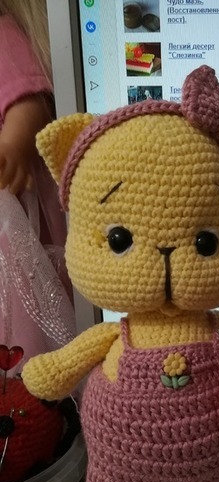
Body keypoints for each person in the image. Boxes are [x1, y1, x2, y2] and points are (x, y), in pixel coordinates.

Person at [0, 0, 75, 369]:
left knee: (31, 303)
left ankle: (40, 377)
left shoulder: (4, 35)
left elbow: (29, 101)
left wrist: (12, 145)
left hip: (22, 214)